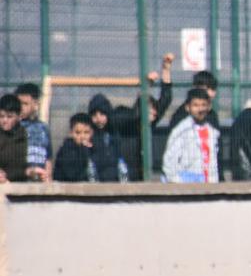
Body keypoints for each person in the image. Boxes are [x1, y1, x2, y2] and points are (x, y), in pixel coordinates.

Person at [109, 52, 175, 181]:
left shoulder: (149, 124)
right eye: (149, 110)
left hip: (141, 176)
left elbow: (166, 99)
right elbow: (130, 114)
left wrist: (166, 69)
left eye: (154, 111)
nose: (154, 113)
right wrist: (146, 86)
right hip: (122, 176)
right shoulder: (126, 120)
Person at [162, 88, 223, 183]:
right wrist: (181, 183)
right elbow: (169, 163)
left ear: (209, 106)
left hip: (209, 187)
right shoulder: (181, 131)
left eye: (203, 105)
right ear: (188, 107)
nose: (200, 109)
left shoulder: (212, 132)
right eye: (196, 105)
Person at [86, 94, 129, 183]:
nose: (98, 119)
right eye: (94, 115)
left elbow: (121, 161)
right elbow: (90, 165)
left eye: (102, 114)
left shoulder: (114, 135)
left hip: (116, 182)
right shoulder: (90, 136)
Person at [14, 82, 50, 181]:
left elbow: (48, 157)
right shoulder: (14, 128)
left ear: (36, 104)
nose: (21, 107)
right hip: (20, 180)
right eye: (18, 103)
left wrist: (48, 177)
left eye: (25, 104)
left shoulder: (44, 128)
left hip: (40, 180)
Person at [53, 113, 102, 182]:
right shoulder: (65, 151)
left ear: (92, 133)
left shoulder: (95, 149)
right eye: (78, 133)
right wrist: (83, 150)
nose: (82, 136)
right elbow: (71, 175)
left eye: (86, 132)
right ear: (71, 133)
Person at [0, 94, 30, 183]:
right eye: (1, 116)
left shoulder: (24, 136)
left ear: (19, 116)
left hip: (18, 184)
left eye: (9, 117)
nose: (5, 120)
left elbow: (22, 166)